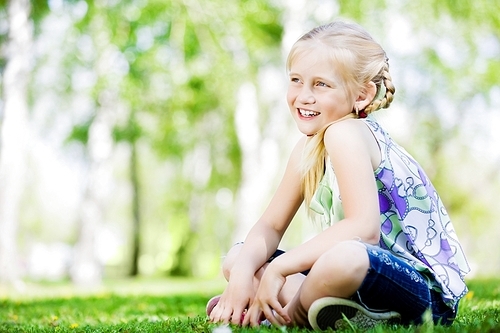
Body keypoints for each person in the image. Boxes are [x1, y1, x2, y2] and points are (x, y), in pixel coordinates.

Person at [207, 21, 470, 331]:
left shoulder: (346, 133)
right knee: (238, 258)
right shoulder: (308, 148)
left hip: (421, 294)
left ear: (361, 94)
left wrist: (277, 270)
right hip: (358, 279)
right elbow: (270, 225)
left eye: (321, 84)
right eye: (296, 80)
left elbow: (364, 229)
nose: (304, 96)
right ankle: (334, 311)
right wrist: (240, 278)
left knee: (341, 259)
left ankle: (289, 313)